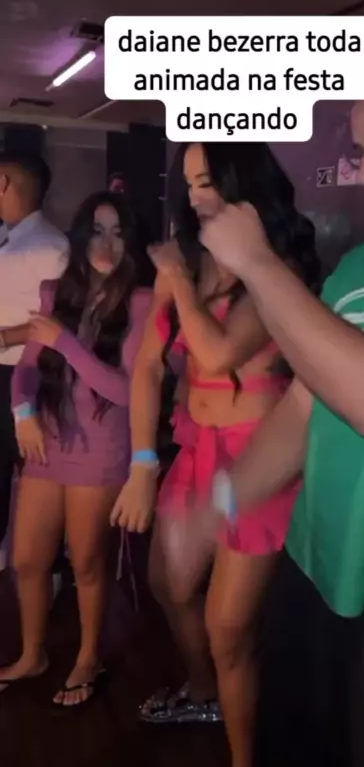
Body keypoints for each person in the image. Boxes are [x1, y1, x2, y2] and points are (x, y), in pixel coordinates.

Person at [163, 44, 364, 767]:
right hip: (314, 573)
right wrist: (219, 504)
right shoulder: (362, 263)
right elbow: (306, 408)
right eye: (361, 150)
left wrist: (258, 263)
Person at [110, 142, 320, 767]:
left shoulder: (275, 264)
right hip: (196, 447)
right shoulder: (190, 262)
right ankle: (206, 693)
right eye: (191, 182)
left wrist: (176, 279)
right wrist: (142, 463)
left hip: (259, 461)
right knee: (167, 585)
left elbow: (220, 351)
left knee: (228, 629)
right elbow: (149, 368)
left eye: (209, 181)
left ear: (243, 182)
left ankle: (243, 753)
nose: (196, 196)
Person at [0, 191, 152, 706]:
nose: (106, 244)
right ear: (82, 234)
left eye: (118, 233)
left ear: (131, 243)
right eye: (98, 230)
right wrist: (22, 414)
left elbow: (128, 391)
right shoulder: (55, 293)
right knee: (26, 559)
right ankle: (33, 654)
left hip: (102, 448)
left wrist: (66, 343)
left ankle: (89, 656)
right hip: (46, 441)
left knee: (87, 561)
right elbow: (25, 369)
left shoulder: (141, 302)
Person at [0, 152, 68, 563]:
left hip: (27, 373)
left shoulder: (50, 246)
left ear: (4, 184)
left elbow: (58, 320)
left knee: (36, 470)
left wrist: (3, 337)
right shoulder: (7, 238)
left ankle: (48, 565)